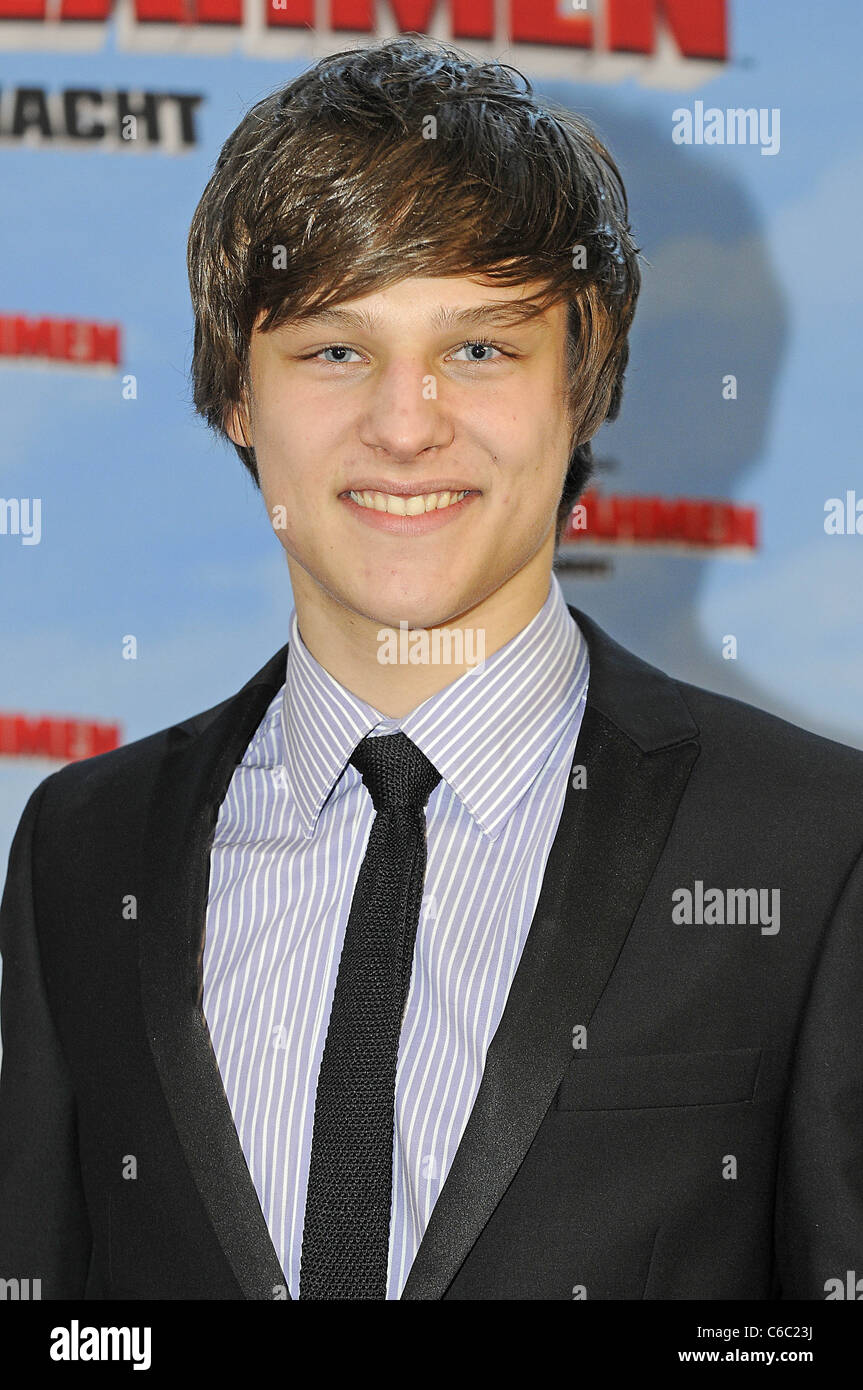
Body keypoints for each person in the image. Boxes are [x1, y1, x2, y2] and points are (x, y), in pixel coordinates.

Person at [1, 34, 861, 1302]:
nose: (405, 426)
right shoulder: (83, 845)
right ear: (236, 394)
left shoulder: (809, 843)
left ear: (583, 384)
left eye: (479, 350)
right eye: (333, 350)